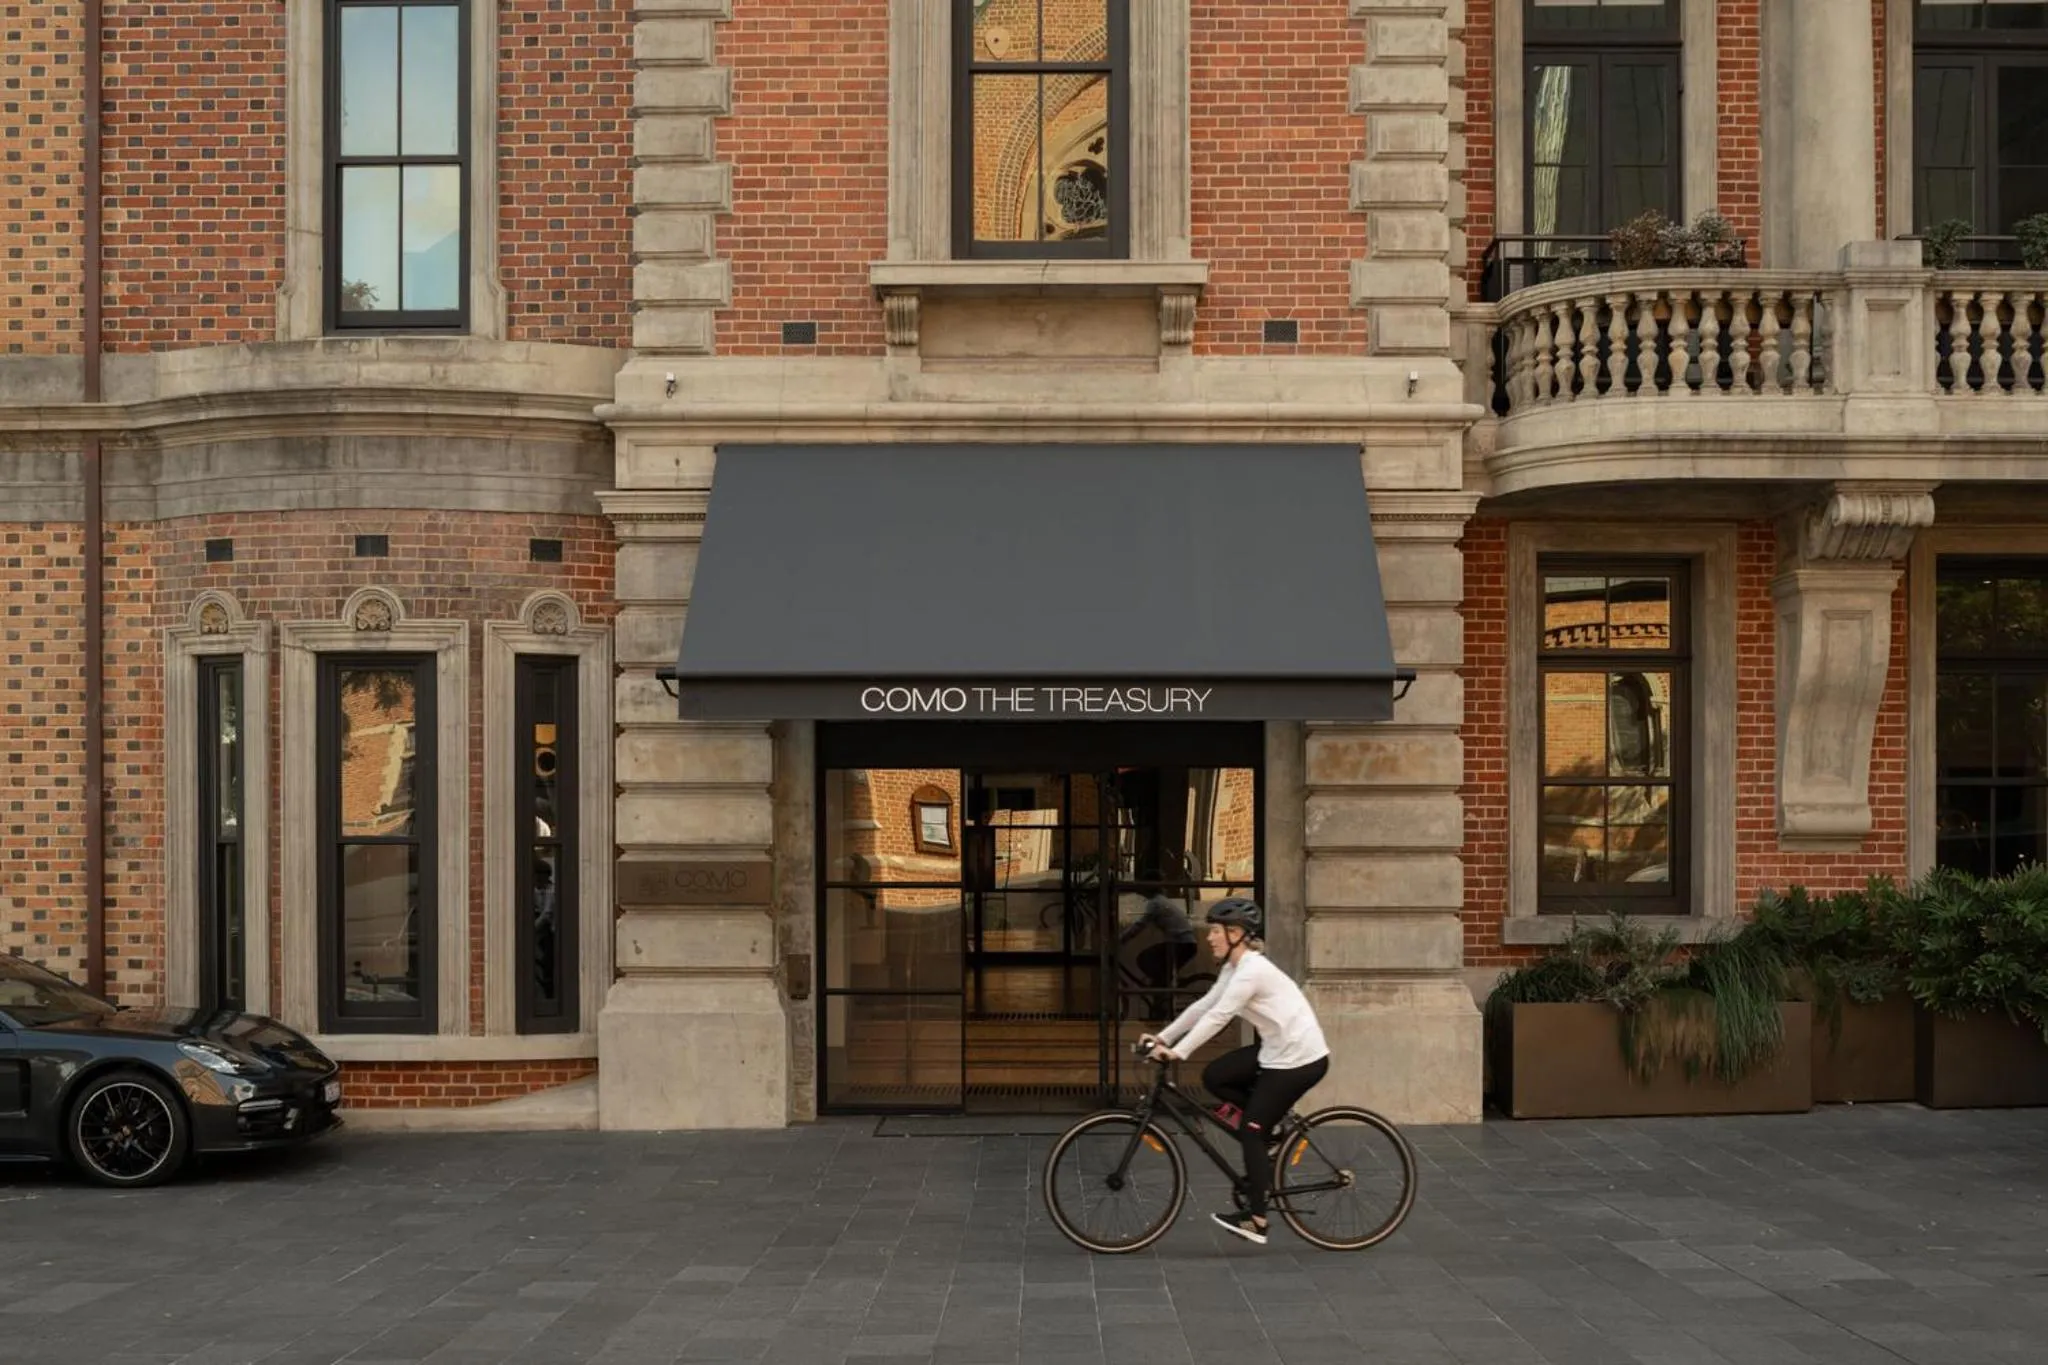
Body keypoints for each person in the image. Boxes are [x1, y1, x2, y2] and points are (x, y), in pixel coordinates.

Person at [1139, 897, 1329, 1246]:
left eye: (1215, 930)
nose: (1208, 937)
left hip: (1299, 1058)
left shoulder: (1251, 971)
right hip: (1276, 1049)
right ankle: (1270, 1130)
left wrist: (1178, 1052)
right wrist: (1162, 1037)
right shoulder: (1233, 968)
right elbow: (1203, 1006)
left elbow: (1219, 1017)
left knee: (1251, 1132)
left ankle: (1257, 1220)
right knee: (1215, 1076)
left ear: (1237, 933)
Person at [1117, 893, 1196, 1022]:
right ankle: (1161, 998)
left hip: (1181, 944)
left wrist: (1120, 940)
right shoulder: (1161, 900)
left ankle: (1162, 997)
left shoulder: (1155, 903)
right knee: (1154, 965)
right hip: (1183, 943)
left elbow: (1140, 925)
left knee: (1144, 959)